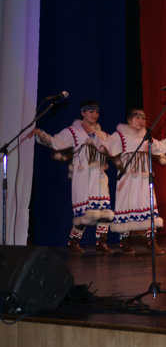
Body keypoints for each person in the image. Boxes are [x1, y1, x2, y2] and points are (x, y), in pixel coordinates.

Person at [33, 100, 115, 254]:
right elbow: (57, 143)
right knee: (84, 213)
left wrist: (95, 135)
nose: (94, 115)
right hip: (83, 176)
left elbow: (111, 149)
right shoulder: (73, 131)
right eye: (91, 111)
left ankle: (101, 243)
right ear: (83, 113)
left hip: (99, 176)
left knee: (105, 210)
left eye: (97, 112)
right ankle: (73, 241)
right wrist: (42, 135)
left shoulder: (103, 134)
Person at [104, 108, 166, 255]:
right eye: (138, 118)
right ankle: (124, 242)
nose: (141, 121)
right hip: (127, 180)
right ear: (129, 120)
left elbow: (161, 147)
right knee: (126, 205)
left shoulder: (147, 137)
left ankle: (151, 242)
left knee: (149, 205)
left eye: (143, 118)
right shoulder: (120, 135)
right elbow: (104, 146)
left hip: (144, 178)